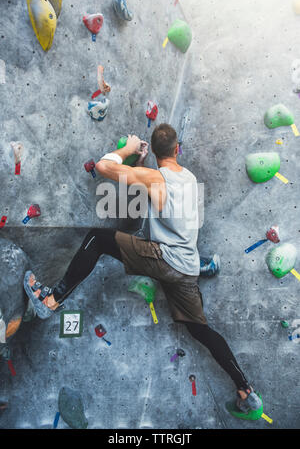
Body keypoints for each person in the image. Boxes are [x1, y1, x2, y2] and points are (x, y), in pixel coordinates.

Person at [24, 123, 261, 415]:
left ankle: (52, 300)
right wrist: (141, 165)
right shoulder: (189, 178)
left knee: (97, 240)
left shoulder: (154, 179)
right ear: (177, 150)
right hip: (186, 266)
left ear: (155, 148)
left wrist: (128, 148)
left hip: (163, 258)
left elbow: (103, 166)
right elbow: (155, 192)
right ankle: (244, 388)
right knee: (200, 330)